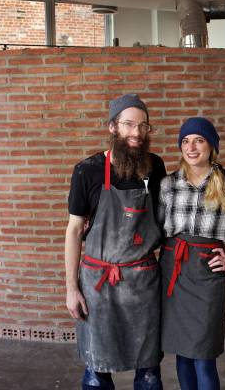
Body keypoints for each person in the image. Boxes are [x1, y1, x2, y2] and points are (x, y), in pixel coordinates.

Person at [158, 117, 225, 390]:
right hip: (174, 272)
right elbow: (153, 230)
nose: (191, 147)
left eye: (199, 140)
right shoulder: (168, 185)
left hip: (209, 275)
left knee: (204, 357)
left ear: (212, 146)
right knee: (182, 354)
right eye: (185, 141)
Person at [65, 94, 166, 390]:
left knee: (149, 375)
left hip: (143, 285)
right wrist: (72, 289)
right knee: (97, 375)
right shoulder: (87, 170)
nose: (136, 133)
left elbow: (164, 220)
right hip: (98, 287)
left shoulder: (156, 167)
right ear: (112, 127)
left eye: (143, 126)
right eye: (128, 124)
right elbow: (73, 231)